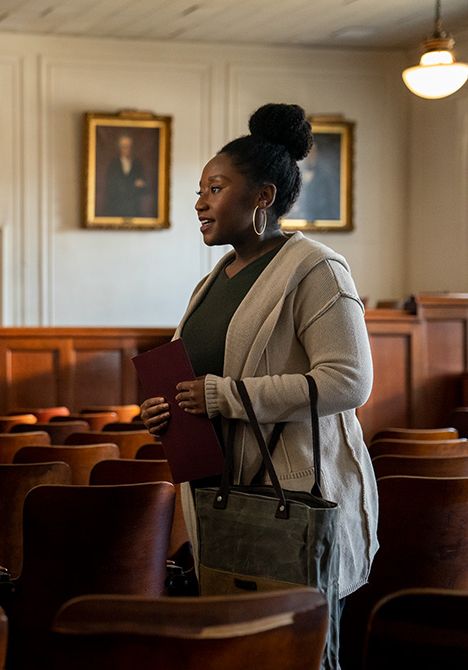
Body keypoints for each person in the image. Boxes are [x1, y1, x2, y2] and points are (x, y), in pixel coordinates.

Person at [138, 103, 377, 670]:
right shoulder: (210, 283)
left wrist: (228, 397)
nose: (199, 202)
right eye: (200, 190)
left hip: (290, 496)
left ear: (263, 197)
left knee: (297, 655)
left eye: (214, 188)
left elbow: (349, 381)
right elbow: (198, 377)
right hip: (223, 498)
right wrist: (165, 410)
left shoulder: (315, 268)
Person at [102, 134, 148, 217]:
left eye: (129, 146)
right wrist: (132, 185)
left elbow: (144, 189)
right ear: (119, 148)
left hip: (134, 208)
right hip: (116, 208)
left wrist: (141, 185)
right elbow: (111, 188)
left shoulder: (137, 165)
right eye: (124, 146)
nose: (127, 149)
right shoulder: (113, 165)